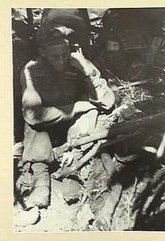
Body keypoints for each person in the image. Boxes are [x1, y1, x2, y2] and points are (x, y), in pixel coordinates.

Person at [16, 26, 115, 209]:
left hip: (73, 128)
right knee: (34, 125)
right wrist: (75, 107)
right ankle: (40, 175)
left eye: (65, 54)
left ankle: (73, 170)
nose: (62, 60)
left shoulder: (77, 61)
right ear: (42, 53)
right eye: (55, 56)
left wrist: (87, 74)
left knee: (91, 112)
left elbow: (107, 102)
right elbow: (33, 115)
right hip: (47, 124)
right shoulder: (32, 70)